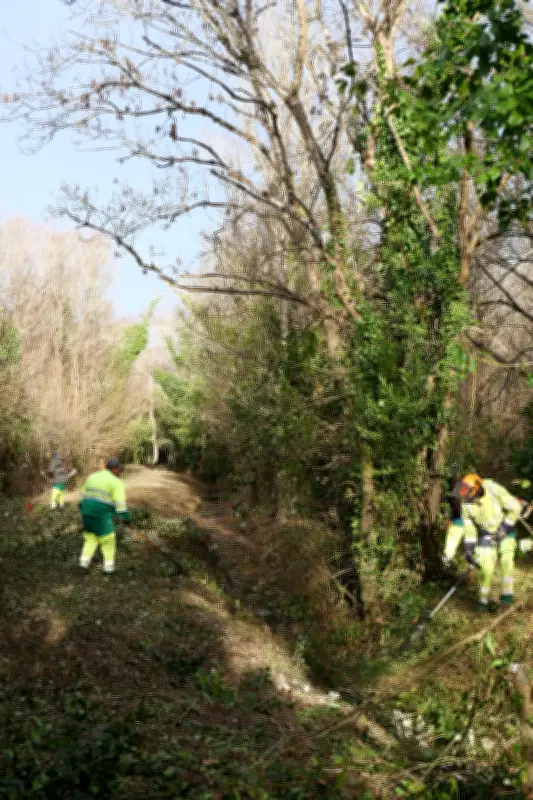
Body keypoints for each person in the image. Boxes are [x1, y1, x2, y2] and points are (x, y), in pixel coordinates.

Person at [443, 473, 523, 611]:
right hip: (487, 534)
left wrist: (502, 531)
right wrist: (469, 549)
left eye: (469, 495)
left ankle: (506, 599)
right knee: (485, 566)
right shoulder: (466, 504)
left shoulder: (493, 489)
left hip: (506, 528)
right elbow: (469, 528)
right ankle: (483, 602)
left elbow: (516, 508)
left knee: (506, 560)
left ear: (477, 489)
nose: (467, 498)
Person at [78, 457, 130, 575]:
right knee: (108, 540)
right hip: (101, 515)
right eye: (119, 469)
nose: (120, 472)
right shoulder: (116, 482)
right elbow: (120, 504)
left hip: (86, 512)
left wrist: (83, 509)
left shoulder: (93, 476)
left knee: (91, 538)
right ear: (115, 469)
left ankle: (83, 563)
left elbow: (82, 494)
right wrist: (126, 518)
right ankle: (109, 568)